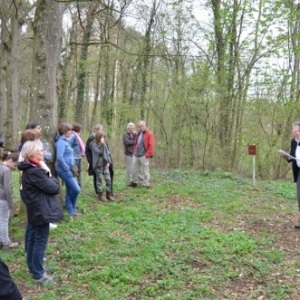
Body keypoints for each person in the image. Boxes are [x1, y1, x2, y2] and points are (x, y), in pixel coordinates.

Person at [18, 140, 64, 284]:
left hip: (36, 209)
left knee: (33, 238)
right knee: (39, 241)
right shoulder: (34, 171)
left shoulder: (31, 168)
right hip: (40, 210)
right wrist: (49, 173)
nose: (44, 152)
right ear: (32, 153)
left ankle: (34, 267)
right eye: (41, 150)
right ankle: (38, 274)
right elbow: (54, 188)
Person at [55, 123, 82, 218]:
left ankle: (71, 210)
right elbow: (59, 157)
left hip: (69, 169)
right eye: (70, 130)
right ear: (65, 131)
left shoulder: (65, 141)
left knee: (70, 189)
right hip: (64, 170)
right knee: (76, 189)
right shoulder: (60, 142)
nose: (71, 131)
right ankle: (71, 206)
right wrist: (66, 167)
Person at [280, 121, 300, 229]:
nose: (292, 131)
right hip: (298, 171)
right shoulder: (293, 142)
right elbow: (292, 157)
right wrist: (286, 156)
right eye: (292, 129)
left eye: (295, 130)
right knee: (299, 196)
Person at [86, 124, 115, 196]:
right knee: (98, 178)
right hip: (97, 163)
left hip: (105, 162)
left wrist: (109, 161)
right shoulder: (92, 142)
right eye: (99, 130)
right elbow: (99, 153)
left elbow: (107, 152)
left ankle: (109, 193)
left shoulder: (103, 141)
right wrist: (90, 161)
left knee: (108, 177)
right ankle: (99, 193)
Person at [0, 152, 19, 250]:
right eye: (15, 165)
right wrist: (10, 203)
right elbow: (7, 188)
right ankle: (6, 242)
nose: (15, 167)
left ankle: (1, 239)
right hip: (3, 198)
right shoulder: (6, 170)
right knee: (4, 220)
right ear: (10, 161)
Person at [128, 120, 155, 189]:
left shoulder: (149, 134)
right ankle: (134, 182)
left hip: (144, 155)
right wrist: (134, 152)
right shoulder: (139, 133)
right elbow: (136, 143)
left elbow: (151, 145)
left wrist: (148, 154)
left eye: (142, 126)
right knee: (133, 169)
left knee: (145, 171)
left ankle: (145, 184)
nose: (141, 128)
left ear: (145, 125)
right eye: (139, 126)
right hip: (136, 155)